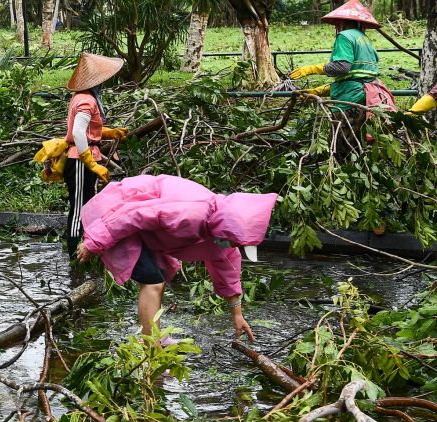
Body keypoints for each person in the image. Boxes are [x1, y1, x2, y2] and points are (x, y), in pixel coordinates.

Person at [75, 175, 278, 342]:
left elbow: (227, 268)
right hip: (117, 212)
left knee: (159, 278)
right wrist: (94, 242)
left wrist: (237, 314)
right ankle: (152, 349)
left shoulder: (222, 231)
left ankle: (157, 338)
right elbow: (134, 214)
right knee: (153, 282)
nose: (235, 247)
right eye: (237, 243)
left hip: (145, 231)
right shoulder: (190, 213)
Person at [288, 0, 395, 151]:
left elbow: (342, 68)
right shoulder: (365, 40)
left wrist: (312, 69)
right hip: (367, 98)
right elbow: (355, 78)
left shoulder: (344, 36)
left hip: (349, 103)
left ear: (341, 23)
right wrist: (317, 91)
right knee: (359, 144)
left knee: (341, 145)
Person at [61, 52, 128, 259]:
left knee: (89, 204)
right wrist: (90, 162)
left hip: (86, 155)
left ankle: (87, 249)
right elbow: (78, 133)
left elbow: (88, 129)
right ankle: (73, 255)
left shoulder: (84, 97)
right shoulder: (87, 100)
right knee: (79, 206)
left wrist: (109, 132)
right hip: (80, 160)